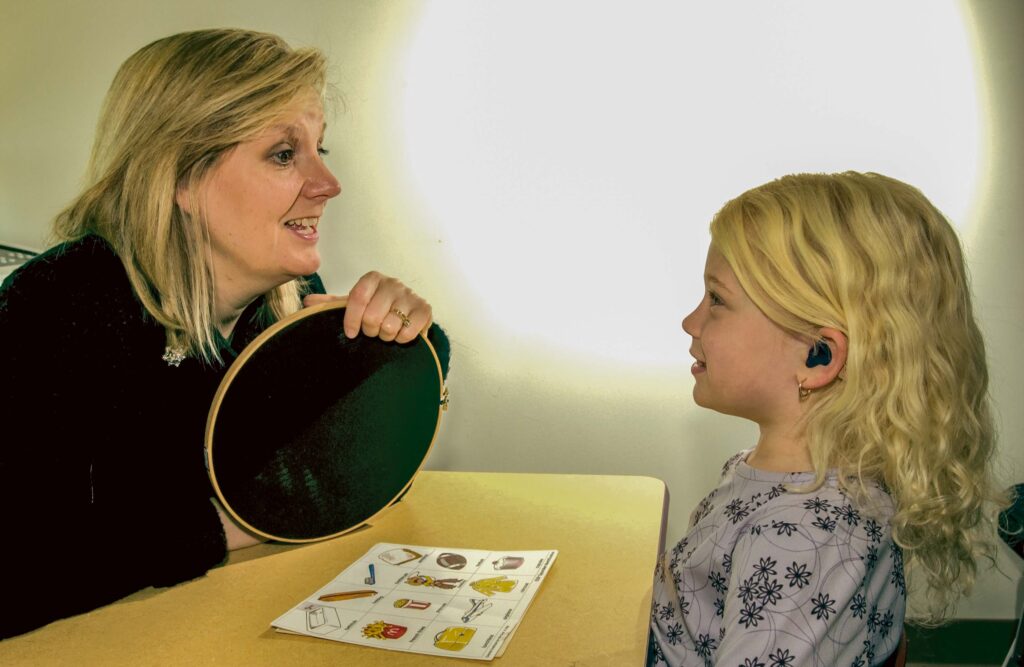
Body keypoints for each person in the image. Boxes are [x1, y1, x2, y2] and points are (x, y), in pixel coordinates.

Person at [0, 28, 447, 638]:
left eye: (321, 150)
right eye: (285, 155)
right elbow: (22, 572)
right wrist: (229, 524)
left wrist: (400, 335)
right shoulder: (56, 308)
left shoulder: (271, 315)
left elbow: (352, 475)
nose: (327, 184)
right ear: (180, 177)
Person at [648, 172, 1004, 666]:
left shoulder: (802, 539)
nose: (691, 322)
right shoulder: (784, 483)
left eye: (717, 300)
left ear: (818, 356)